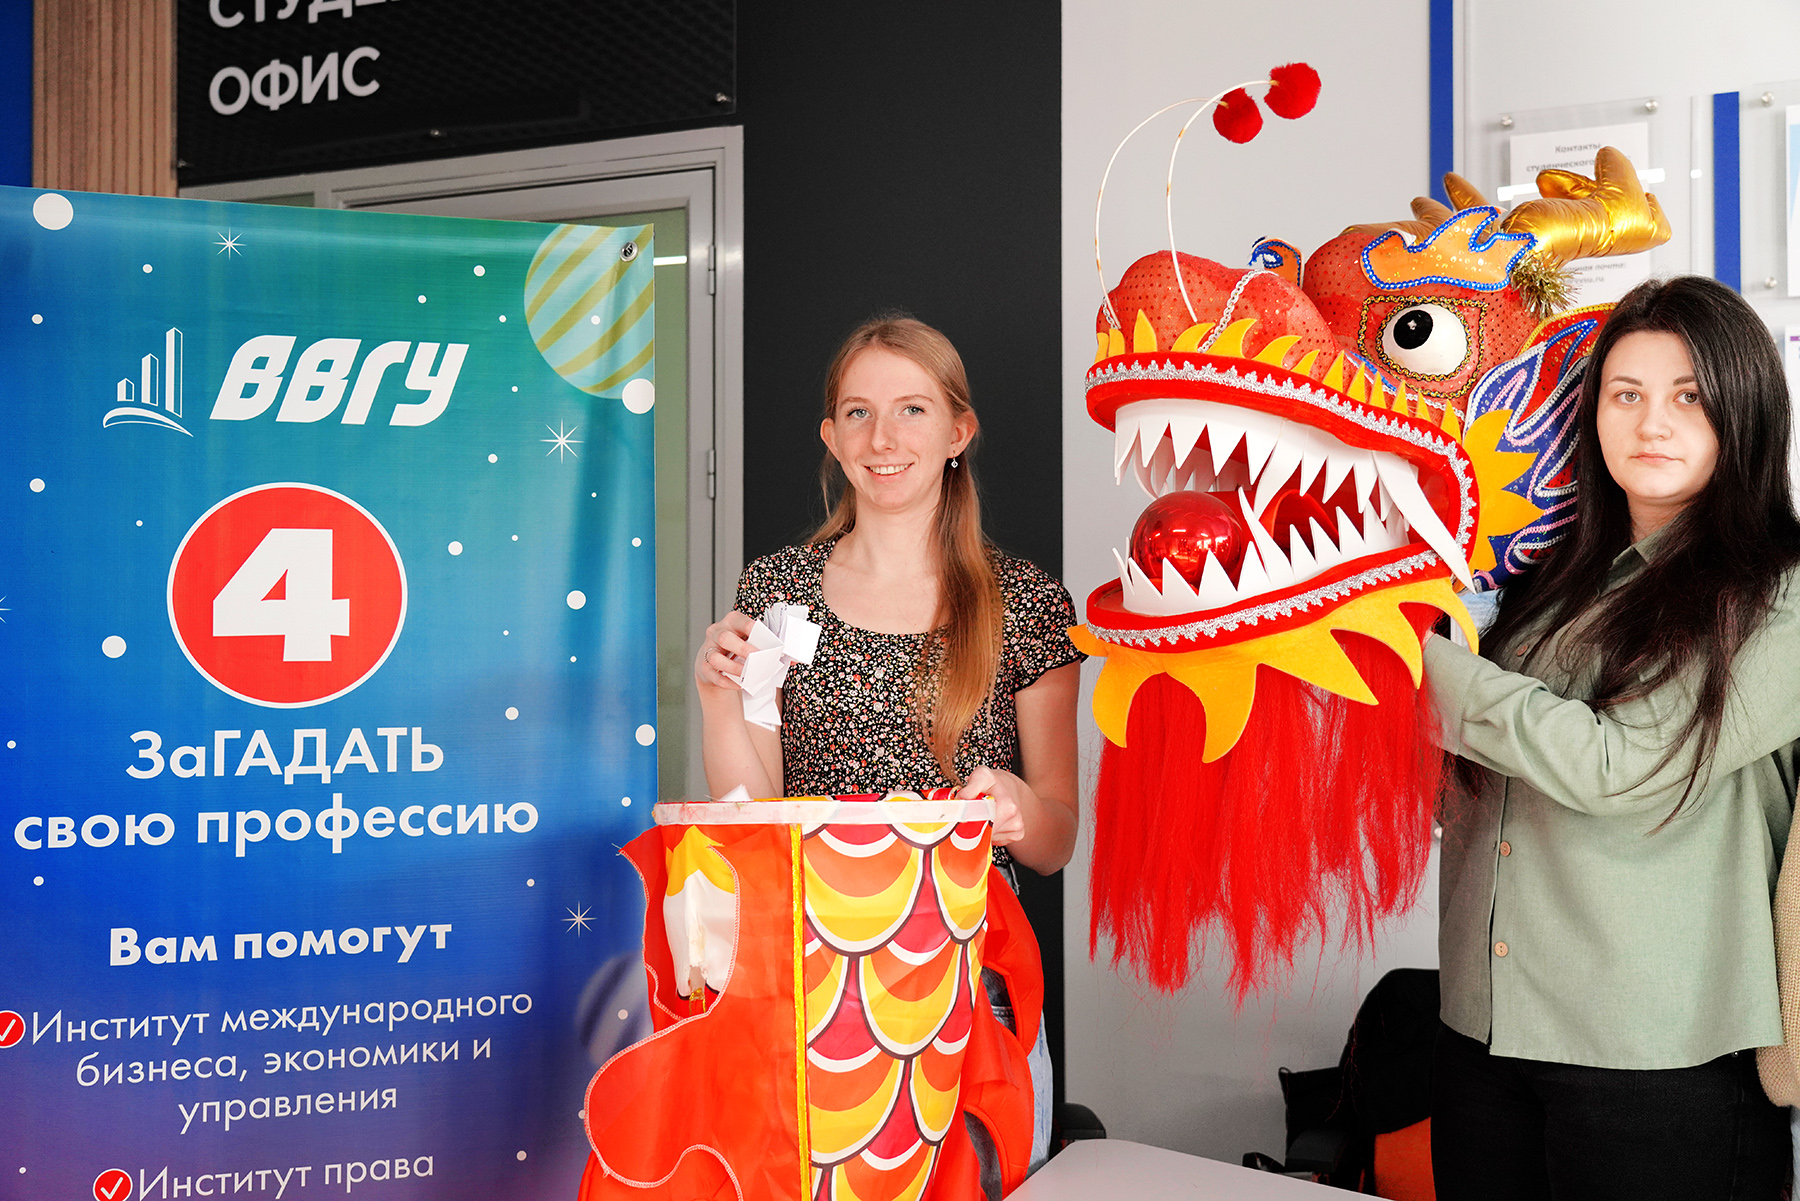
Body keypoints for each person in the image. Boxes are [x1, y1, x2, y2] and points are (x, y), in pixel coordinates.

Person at [1423, 275, 1800, 1199]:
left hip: (1658, 1056)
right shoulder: (1542, 576)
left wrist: (1411, 658)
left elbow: (1619, 765)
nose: (1652, 423)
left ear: (1746, 411)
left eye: (1689, 397)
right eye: (1625, 394)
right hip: (1481, 1030)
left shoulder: (1777, 591)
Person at [693, 314, 1082, 1175]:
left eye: (912, 409)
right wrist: (718, 702)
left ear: (958, 431)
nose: (883, 438)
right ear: (831, 437)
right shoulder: (779, 588)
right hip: (811, 968)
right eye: (858, 413)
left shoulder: (1026, 602)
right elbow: (753, 815)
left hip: (972, 970)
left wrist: (1021, 809)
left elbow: (1057, 839)